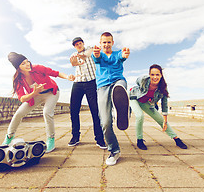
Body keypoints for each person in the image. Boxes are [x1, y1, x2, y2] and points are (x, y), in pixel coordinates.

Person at [3, 52, 75, 153]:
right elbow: (22, 98)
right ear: (18, 68)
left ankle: (51, 139)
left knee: (47, 112)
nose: (27, 64)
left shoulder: (37, 68)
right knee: (19, 113)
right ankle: (9, 136)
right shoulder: (18, 79)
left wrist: (68, 77)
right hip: (35, 95)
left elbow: (55, 73)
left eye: (27, 61)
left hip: (51, 93)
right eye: (23, 64)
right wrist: (34, 93)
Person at [92, 32, 131, 166]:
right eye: (104, 42)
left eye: (109, 42)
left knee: (120, 88)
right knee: (105, 122)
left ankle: (124, 110)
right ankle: (114, 150)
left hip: (118, 82)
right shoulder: (98, 54)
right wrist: (96, 54)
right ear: (100, 43)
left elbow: (122, 55)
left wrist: (125, 54)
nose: (107, 45)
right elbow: (96, 58)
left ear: (112, 43)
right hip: (102, 87)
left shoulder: (117, 54)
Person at [129, 64, 187, 150]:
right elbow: (137, 81)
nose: (155, 77)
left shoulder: (163, 87)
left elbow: (164, 104)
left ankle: (177, 139)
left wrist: (165, 120)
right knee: (140, 116)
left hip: (144, 102)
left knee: (161, 120)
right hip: (133, 97)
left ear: (161, 75)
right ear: (149, 75)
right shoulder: (144, 80)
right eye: (152, 74)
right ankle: (140, 140)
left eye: (157, 75)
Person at [68, 37, 107, 149]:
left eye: (80, 43)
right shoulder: (73, 54)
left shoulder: (90, 49)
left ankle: (99, 138)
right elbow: (74, 63)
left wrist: (82, 55)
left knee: (95, 111)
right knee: (74, 110)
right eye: (76, 44)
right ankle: (75, 137)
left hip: (91, 82)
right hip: (78, 83)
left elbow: (88, 54)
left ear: (83, 43)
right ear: (74, 47)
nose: (79, 45)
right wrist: (75, 59)